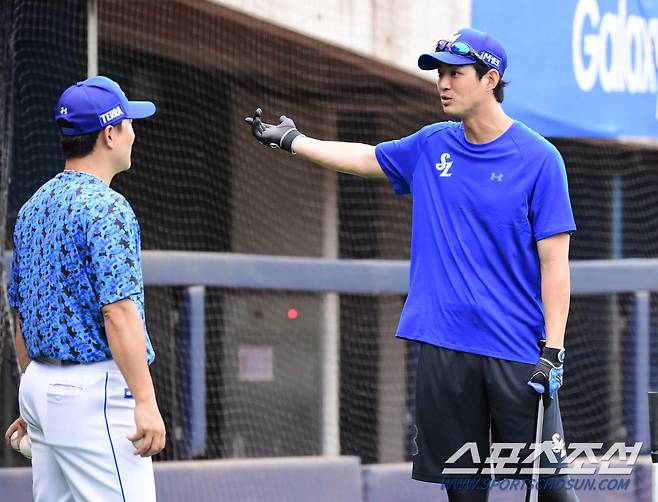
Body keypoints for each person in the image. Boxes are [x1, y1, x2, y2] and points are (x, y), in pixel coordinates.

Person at [246, 28, 578, 502]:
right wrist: (293, 140)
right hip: (443, 345)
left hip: (517, 352)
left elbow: (555, 265)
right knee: (463, 491)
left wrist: (555, 350)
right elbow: (364, 158)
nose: (443, 83)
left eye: (456, 74)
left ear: (490, 80)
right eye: (439, 73)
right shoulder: (431, 144)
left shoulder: (541, 160)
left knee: (553, 489)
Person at [3, 76, 165, 501]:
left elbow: (22, 312)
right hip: (94, 394)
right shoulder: (107, 206)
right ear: (109, 134)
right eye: (128, 122)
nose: (134, 132)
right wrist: (145, 402)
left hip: (39, 386)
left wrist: (33, 394)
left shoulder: (32, 206)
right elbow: (119, 312)